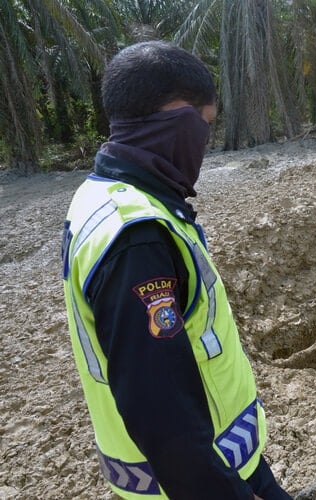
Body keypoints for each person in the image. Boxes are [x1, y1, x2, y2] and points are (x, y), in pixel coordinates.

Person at [61, 41, 291, 499]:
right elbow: (159, 412)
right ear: (179, 117)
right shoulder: (136, 237)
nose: (203, 146)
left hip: (225, 460)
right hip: (195, 483)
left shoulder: (103, 194)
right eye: (204, 126)